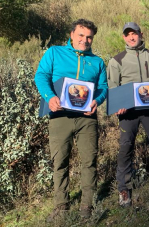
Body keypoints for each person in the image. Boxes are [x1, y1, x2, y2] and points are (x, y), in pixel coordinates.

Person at [34, 19, 108, 220]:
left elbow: (103, 88)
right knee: (60, 162)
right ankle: (61, 206)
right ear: (72, 34)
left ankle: (87, 205)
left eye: (89, 37)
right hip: (60, 116)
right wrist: (50, 97)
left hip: (87, 118)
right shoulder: (54, 52)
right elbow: (41, 76)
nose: (85, 40)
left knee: (89, 161)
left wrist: (97, 100)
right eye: (81, 35)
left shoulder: (97, 62)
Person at [107, 22, 149, 208]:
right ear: (124, 37)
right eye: (128, 34)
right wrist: (118, 105)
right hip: (128, 113)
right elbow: (112, 86)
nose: (132, 37)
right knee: (126, 147)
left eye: (134, 34)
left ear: (141, 34)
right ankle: (124, 187)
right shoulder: (116, 61)